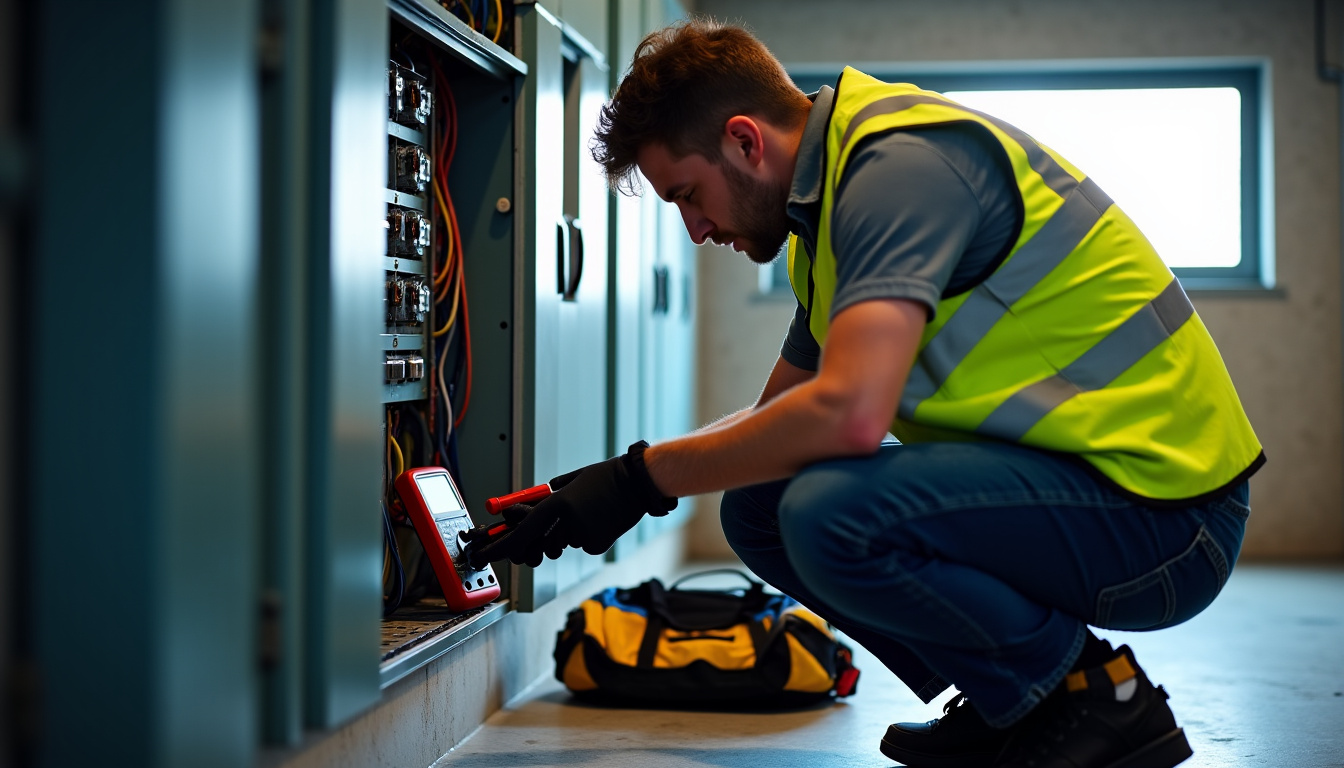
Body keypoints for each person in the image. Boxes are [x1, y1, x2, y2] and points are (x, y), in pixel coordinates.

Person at [472, 18, 1264, 768]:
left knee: (830, 513)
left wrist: (643, 479)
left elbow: (846, 417)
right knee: (759, 505)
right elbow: (776, 419)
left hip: (1168, 519)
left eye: (686, 194)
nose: (696, 230)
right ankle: (1010, 703)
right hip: (1091, 492)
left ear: (744, 141)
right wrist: (619, 478)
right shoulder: (824, 225)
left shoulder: (900, 169)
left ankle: (1094, 698)